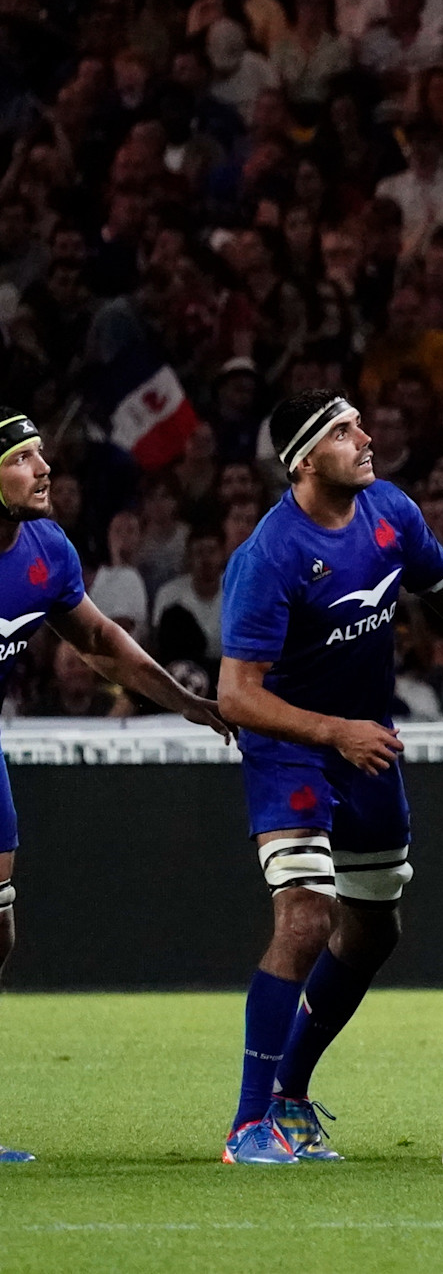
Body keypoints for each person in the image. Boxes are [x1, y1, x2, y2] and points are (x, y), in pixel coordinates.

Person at [214, 394, 443, 1166]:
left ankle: (289, 1096)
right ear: (304, 460)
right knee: (306, 916)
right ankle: (247, 1126)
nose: (365, 437)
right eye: (343, 432)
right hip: (295, 749)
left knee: (377, 927)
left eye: (358, 425)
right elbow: (237, 695)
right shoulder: (271, 554)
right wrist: (333, 732)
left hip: (365, 747)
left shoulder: (390, 511)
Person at [0, 410, 230, 1165]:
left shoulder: (45, 549)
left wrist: (181, 699)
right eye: (23, 458)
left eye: (42, 455)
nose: (43, 470)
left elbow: (99, 639)